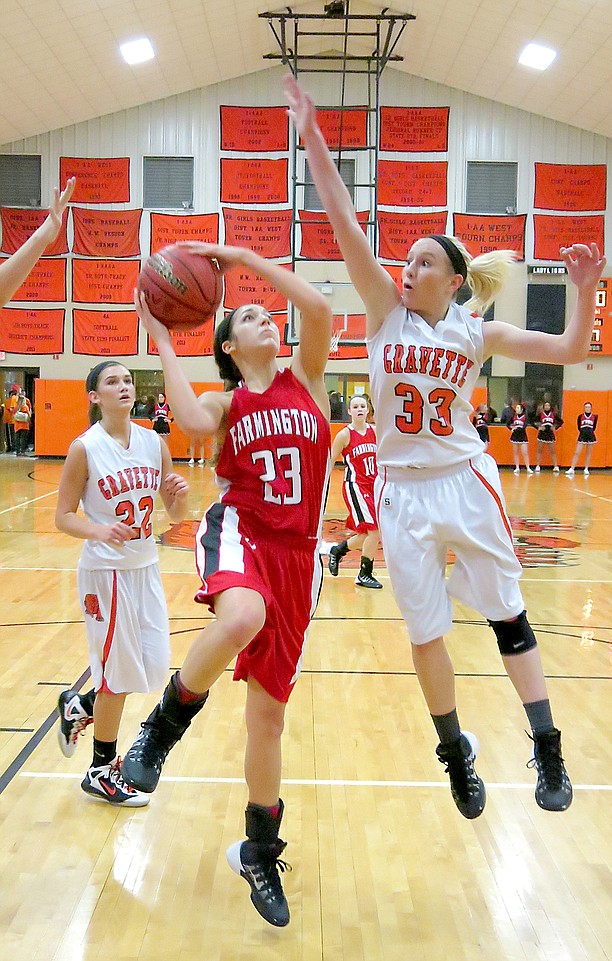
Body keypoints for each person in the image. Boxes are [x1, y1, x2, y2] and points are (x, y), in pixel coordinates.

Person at [285, 72, 605, 820]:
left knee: (507, 616)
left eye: (424, 262)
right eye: (407, 262)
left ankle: (547, 740)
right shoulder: (382, 314)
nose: (408, 268)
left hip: (466, 479)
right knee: (426, 631)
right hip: (402, 494)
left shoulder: (477, 330)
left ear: (455, 279)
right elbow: (340, 216)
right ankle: (455, 752)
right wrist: (310, 135)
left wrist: (586, 286)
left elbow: (571, 347)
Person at [120, 241, 333, 928]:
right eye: (248, 316)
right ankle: (163, 724)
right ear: (229, 344)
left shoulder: (309, 377)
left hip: (299, 558)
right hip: (241, 530)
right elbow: (188, 419)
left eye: (269, 313)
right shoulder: (228, 397)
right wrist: (160, 339)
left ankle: (260, 849)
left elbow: (320, 305)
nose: (266, 317)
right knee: (240, 617)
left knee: (268, 717)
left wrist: (243, 256)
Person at [54, 360, 189, 805]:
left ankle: (81, 707)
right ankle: (99, 771)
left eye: (128, 380)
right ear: (94, 396)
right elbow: (64, 517)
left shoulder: (153, 442)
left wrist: (178, 497)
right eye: (112, 381)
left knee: (143, 668)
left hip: (145, 567)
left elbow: (176, 518)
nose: (124, 386)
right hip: (105, 571)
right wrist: (99, 530)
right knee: (116, 675)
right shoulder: (84, 448)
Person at [329, 393, 383, 589]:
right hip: (355, 486)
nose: (359, 409)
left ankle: (337, 551)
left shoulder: (376, 432)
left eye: (363, 406)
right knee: (374, 530)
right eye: (356, 406)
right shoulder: (344, 435)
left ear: (368, 409)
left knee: (366, 534)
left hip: (373, 485)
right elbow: (331, 460)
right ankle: (364, 573)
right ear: (350, 411)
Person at [566, 402, 597, 476]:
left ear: (591, 408)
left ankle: (586, 468)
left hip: (590, 436)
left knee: (588, 453)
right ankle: (572, 468)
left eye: (589, 407)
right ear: (584, 408)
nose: (587, 408)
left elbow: (594, 427)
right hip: (582, 435)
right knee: (577, 452)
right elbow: (578, 427)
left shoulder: (594, 417)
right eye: (586, 407)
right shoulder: (580, 416)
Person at [534, 402, 562, 472]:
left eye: (548, 405)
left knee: (552, 451)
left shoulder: (553, 414)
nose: (547, 407)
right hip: (542, 434)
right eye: (545, 405)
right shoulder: (540, 414)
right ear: (543, 407)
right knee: (539, 450)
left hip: (550, 434)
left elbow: (561, 422)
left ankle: (555, 466)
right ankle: (537, 466)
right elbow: (532, 421)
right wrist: (538, 427)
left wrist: (555, 427)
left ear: (550, 407)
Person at [508, 403, 533, 474]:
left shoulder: (525, 417)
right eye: (516, 408)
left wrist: (517, 428)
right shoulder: (513, 416)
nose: (516, 409)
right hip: (515, 436)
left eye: (518, 408)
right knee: (515, 452)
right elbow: (507, 423)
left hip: (522, 435)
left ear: (522, 410)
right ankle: (517, 467)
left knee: (525, 452)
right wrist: (511, 429)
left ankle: (528, 467)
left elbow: (524, 427)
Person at [13, 388, 32, 456]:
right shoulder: (25, 407)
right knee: (23, 439)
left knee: (17, 438)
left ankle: (18, 451)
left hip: (17, 425)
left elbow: (13, 414)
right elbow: (29, 415)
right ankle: (23, 451)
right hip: (24, 425)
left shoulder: (16, 407)